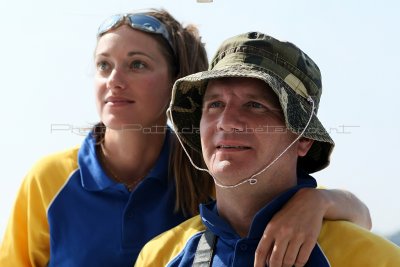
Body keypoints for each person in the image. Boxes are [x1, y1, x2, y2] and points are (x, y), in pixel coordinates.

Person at [0, 9, 370, 267]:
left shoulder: (211, 170)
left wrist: (315, 202)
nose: (114, 79)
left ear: (177, 82)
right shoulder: (47, 179)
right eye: (103, 65)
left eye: (137, 64)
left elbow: (360, 219)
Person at [135, 31, 400, 267]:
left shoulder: (373, 259)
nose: (227, 122)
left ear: (304, 138)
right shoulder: (159, 257)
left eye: (254, 105)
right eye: (215, 104)